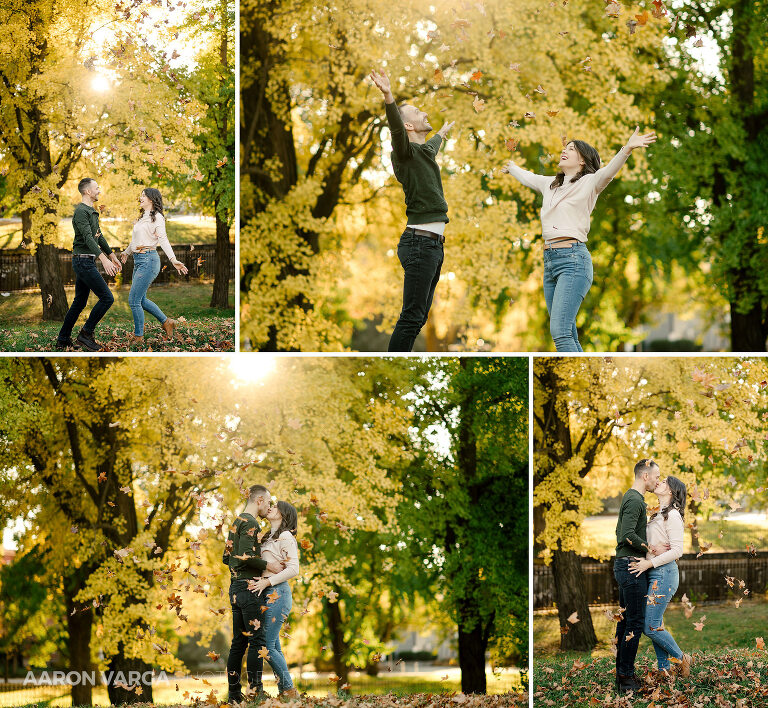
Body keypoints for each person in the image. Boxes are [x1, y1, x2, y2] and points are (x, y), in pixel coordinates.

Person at [502, 128, 656, 351]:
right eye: (565, 148)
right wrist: (512, 167)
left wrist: (628, 148)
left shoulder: (590, 183)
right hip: (550, 262)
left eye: (571, 149)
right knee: (568, 333)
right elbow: (529, 177)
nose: (564, 151)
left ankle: (580, 383)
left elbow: (609, 172)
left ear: (582, 160)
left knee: (560, 332)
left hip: (573, 261)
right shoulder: (550, 185)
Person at [369, 68, 454, 352]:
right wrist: (389, 96)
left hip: (433, 246)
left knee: (418, 319)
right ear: (408, 126)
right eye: (417, 112)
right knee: (411, 318)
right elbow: (395, 127)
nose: (423, 113)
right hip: (420, 244)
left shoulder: (422, 154)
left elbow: (431, 148)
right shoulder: (403, 153)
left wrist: (441, 133)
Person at [222, 485, 286, 704]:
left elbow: (226, 557)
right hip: (249, 589)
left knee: (238, 642)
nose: (268, 506)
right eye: (268, 502)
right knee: (257, 641)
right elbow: (247, 556)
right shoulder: (251, 523)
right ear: (259, 500)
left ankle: (234, 695)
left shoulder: (235, 522)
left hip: (234, 589)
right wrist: (270, 565)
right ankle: (255, 691)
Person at [629, 475, 693, 678]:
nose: (659, 482)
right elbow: (655, 542)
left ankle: (682, 658)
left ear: (671, 491)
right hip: (656, 572)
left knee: (650, 626)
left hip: (664, 574)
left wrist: (649, 562)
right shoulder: (659, 514)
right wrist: (651, 549)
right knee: (656, 624)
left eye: (664, 482)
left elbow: (677, 551)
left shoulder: (672, 515)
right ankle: (664, 669)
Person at [56, 178, 122, 351]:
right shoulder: (81, 212)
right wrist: (103, 259)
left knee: (79, 303)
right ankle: (86, 334)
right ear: (87, 191)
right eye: (96, 188)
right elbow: (87, 237)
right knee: (107, 298)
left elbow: (98, 236)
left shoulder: (91, 211)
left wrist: (111, 255)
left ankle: (63, 339)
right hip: (82, 261)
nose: (99, 190)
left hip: (86, 260)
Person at [613, 458, 659, 694]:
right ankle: (626, 676)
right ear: (645, 476)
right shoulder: (634, 500)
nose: (657, 481)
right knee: (635, 622)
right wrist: (648, 548)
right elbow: (626, 534)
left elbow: (619, 531)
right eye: (656, 476)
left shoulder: (632, 498)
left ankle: (622, 673)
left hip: (625, 564)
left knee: (626, 622)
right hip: (631, 567)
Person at [120, 188, 188, 344]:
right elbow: (136, 240)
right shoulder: (143, 217)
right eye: (141, 195)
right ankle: (167, 322)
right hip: (138, 260)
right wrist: (126, 252)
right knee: (140, 300)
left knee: (133, 300)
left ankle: (138, 337)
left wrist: (173, 259)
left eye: (144, 195)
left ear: (152, 199)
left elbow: (163, 239)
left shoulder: (157, 218)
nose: (140, 197)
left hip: (149, 260)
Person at [251, 500, 300, 699]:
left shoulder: (286, 536)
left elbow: (294, 569)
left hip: (278, 593)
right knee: (274, 645)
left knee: (267, 646)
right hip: (267, 592)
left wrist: (267, 582)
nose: (270, 507)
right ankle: (285, 692)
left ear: (284, 514)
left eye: (275, 506)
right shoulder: (268, 536)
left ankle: (290, 689)